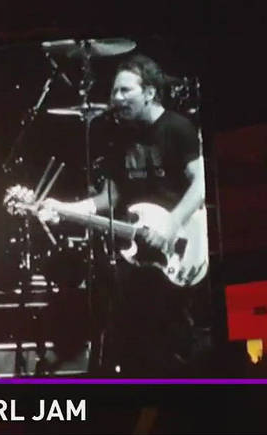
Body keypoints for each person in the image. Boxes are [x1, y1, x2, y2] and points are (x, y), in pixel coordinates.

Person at [33, 54, 208, 376]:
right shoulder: (119, 138)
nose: (116, 98)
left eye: (125, 90)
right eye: (114, 91)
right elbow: (109, 197)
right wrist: (65, 209)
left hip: (180, 245)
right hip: (140, 254)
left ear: (150, 92)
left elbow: (201, 183)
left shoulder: (177, 128)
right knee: (131, 340)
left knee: (175, 342)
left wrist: (172, 223)